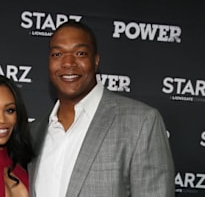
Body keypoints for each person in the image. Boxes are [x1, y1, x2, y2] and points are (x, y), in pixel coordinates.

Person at [28, 20, 175, 197]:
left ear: (96, 60)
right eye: (57, 54)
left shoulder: (141, 123)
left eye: (80, 53)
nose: (68, 62)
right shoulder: (34, 133)